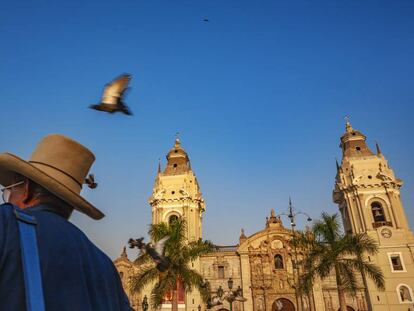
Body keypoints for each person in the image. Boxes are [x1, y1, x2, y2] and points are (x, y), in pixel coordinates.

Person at [0, 134, 133, 310]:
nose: (7, 200)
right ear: (71, 204)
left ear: (27, 189)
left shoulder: (7, 225)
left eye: (9, 191)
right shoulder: (105, 266)